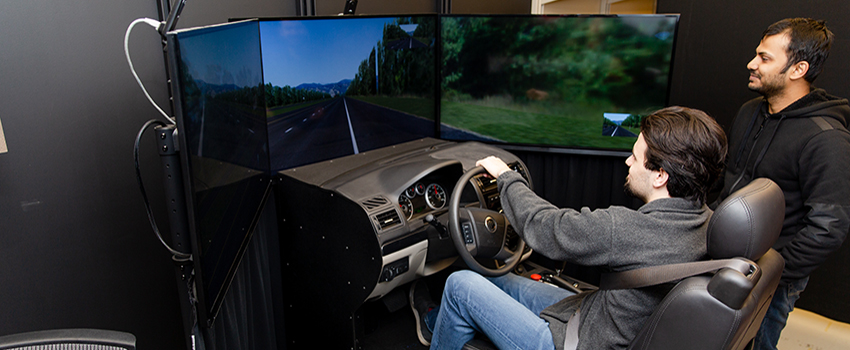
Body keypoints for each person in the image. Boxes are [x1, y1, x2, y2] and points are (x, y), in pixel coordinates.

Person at [409, 106, 728, 350]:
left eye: (634, 157)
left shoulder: (627, 229)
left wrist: (505, 177)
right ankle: (441, 323)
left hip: (572, 342)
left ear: (660, 175)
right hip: (597, 321)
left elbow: (544, 227)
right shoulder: (709, 222)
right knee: (499, 278)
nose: (628, 163)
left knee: (460, 284)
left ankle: (436, 329)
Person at [713, 18, 850, 350]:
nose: (751, 64)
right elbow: (730, 181)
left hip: (770, 281)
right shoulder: (750, 112)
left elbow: (829, 226)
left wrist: (771, 272)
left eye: (764, 58)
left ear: (798, 68)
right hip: (723, 260)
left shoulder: (826, 139)